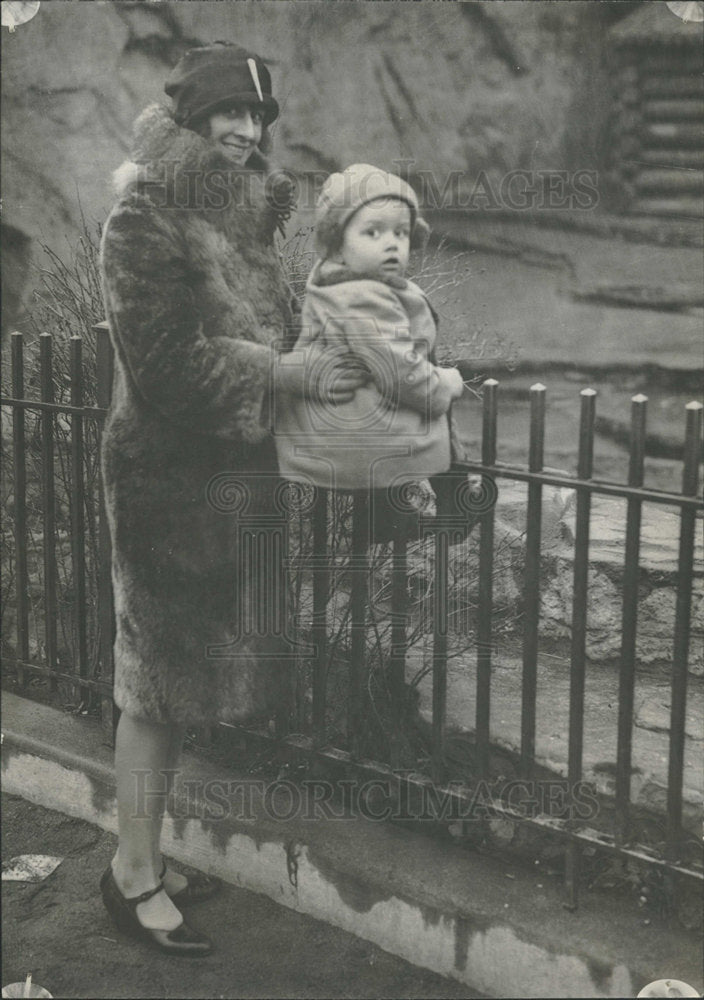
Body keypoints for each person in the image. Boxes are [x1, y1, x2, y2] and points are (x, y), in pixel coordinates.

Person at [99, 42, 366, 956]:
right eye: (229, 116)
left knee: (174, 688)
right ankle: (130, 877)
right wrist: (286, 373)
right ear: (190, 119)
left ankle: (145, 856)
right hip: (166, 482)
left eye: (257, 119)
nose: (247, 133)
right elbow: (169, 366)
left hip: (226, 479)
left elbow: (256, 329)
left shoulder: (242, 215)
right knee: (152, 684)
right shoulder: (143, 217)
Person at [274, 163, 466, 532]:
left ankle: (386, 514)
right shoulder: (364, 298)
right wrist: (446, 384)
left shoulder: (339, 282)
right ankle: (453, 511)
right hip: (358, 436)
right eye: (373, 232)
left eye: (401, 232)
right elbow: (400, 373)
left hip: (345, 424)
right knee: (434, 417)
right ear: (338, 245)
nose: (392, 243)